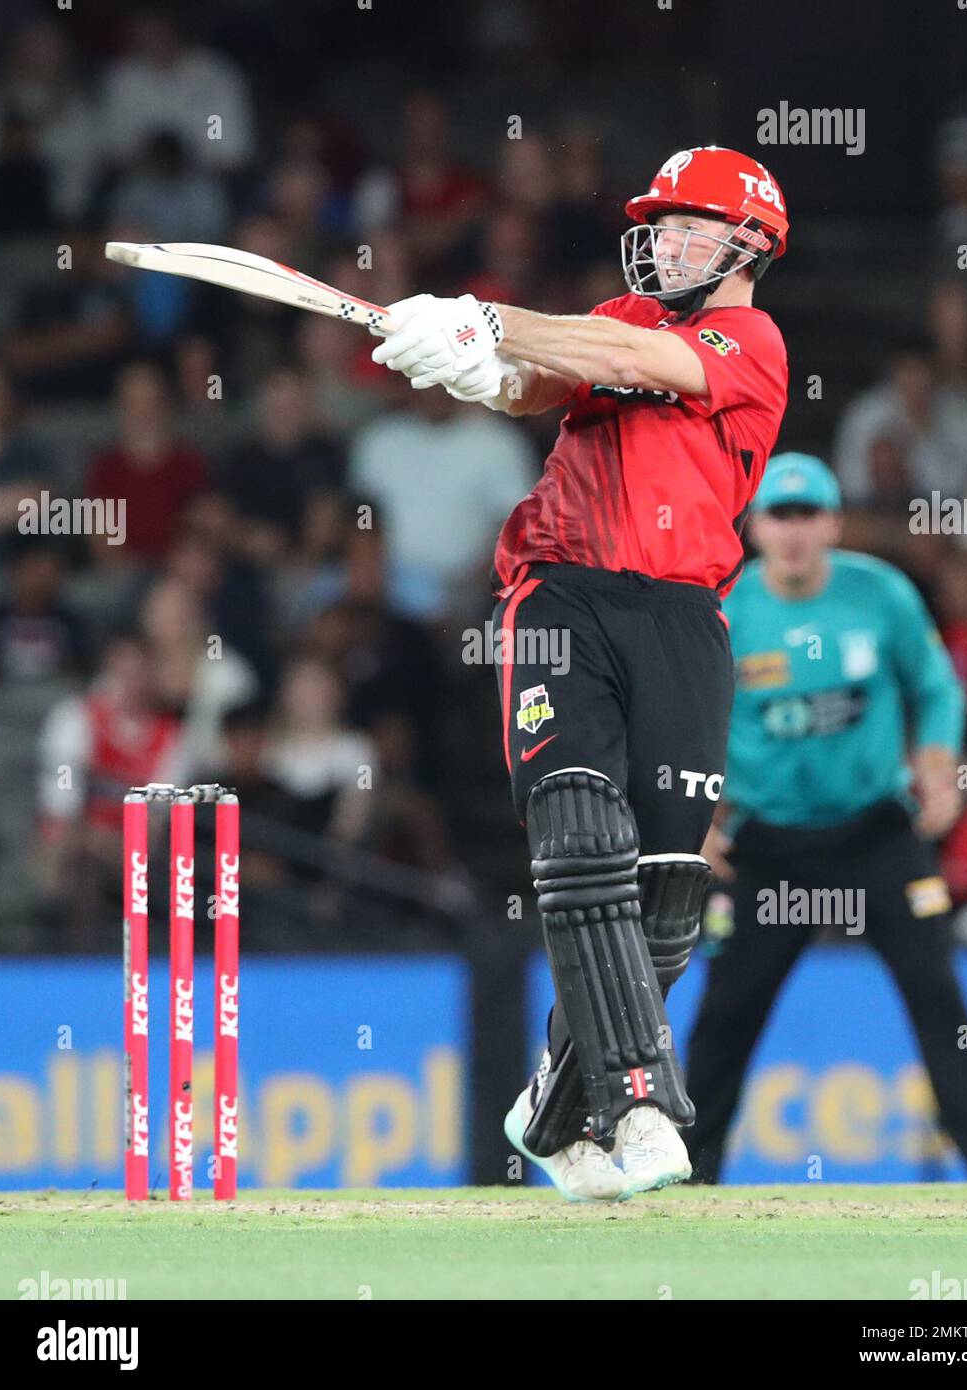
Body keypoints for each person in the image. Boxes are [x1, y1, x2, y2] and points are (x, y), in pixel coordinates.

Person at [370, 146, 790, 1199]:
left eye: (690, 226)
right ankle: (640, 1097)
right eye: (660, 223)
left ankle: (551, 1110)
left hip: (685, 615)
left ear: (750, 244)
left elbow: (625, 359)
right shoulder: (622, 319)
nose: (665, 243)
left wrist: (487, 319)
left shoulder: (748, 339)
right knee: (578, 828)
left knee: (667, 896)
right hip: (560, 596)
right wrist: (468, 361)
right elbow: (537, 382)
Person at [684, 453, 967, 1183]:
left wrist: (934, 761)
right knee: (726, 1013)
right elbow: (686, 724)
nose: (793, 531)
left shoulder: (880, 593)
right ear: (752, 526)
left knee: (938, 999)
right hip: (768, 845)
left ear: (832, 522)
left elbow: (935, 687)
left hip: (875, 833)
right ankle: (689, 1184)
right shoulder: (726, 613)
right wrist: (697, 816)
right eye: (778, 515)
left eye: (807, 514)